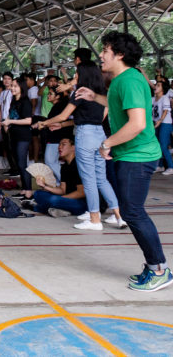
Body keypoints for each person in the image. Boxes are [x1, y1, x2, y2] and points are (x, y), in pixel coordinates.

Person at [76, 32, 171, 291]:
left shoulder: (129, 80)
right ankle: (154, 266)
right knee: (131, 211)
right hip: (129, 155)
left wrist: (106, 143)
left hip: (137, 157)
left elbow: (137, 124)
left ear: (119, 54)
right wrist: (94, 97)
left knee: (133, 212)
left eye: (105, 50)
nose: (101, 55)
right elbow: (117, 103)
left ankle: (159, 269)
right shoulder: (121, 81)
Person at [40, 61, 124, 230]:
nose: (75, 76)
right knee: (101, 179)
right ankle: (119, 217)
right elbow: (103, 116)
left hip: (85, 135)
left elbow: (63, 115)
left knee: (89, 180)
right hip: (100, 134)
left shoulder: (80, 92)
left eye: (77, 73)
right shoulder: (102, 93)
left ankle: (94, 219)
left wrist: (44, 123)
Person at [28, 137, 87, 217]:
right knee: (38, 193)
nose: (59, 147)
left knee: (54, 199)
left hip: (81, 203)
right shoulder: (65, 166)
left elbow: (81, 193)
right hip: (66, 199)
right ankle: (59, 209)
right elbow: (62, 190)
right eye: (59, 144)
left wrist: (62, 198)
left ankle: (37, 207)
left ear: (73, 147)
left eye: (63, 144)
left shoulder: (78, 165)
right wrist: (45, 186)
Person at [1, 79, 33, 198]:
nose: (12, 88)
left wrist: (10, 121)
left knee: (22, 163)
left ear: (21, 88)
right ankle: (24, 190)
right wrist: (6, 123)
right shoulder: (14, 100)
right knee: (19, 164)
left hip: (23, 136)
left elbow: (28, 120)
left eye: (15, 86)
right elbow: (11, 115)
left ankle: (28, 191)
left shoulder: (25, 101)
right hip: (14, 134)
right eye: (12, 86)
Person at [151, 80, 173, 175]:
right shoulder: (153, 99)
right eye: (156, 85)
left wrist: (160, 121)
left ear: (163, 89)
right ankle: (160, 166)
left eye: (158, 85)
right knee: (158, 145)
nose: (156, 86)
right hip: (157, 123)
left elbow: (165, 110)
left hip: (165, 123)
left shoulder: (165, 98)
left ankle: (171, 167)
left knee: (163, 146)